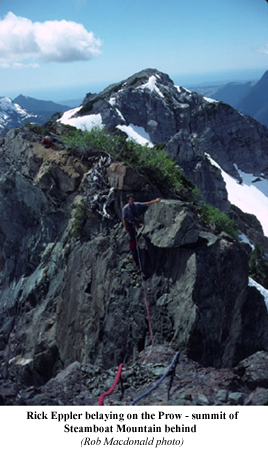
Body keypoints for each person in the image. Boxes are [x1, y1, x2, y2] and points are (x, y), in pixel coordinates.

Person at [122, 194, 161, 265]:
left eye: (132, 198)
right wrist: (125, 228)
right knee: (132, 238)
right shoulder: (125, 208)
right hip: (129, 224)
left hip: (135, 222)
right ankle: (133, 252)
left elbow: (145, 204)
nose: (132, 200)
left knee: (139, 234)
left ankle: (139, 248)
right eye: (130, 199)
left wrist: (155, 201)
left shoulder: (135, 205)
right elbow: (124, 219)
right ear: (128, 200)